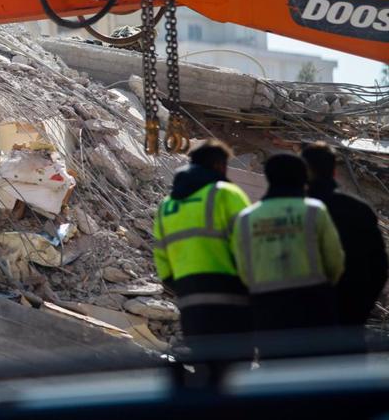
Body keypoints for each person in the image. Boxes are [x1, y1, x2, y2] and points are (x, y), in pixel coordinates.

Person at [231, 153, 345, 337]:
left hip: (266, 307)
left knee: (276, 362)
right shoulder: (314, 211)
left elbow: (243, 269)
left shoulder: (246, 219)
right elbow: (335, 261)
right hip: (312, 303)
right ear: (303, 177)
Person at [153, 140, 253, 347]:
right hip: (230, 290)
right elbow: (249, 243)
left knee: (202, 356)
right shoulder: (226, 193)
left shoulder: (167, 205)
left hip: (189, 293)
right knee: (235, 360)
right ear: (219, 165)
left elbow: (161, 254)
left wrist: (179, 284)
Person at [301, 142, 387, 331]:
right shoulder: (359, 209)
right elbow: (379, 267)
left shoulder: (293, 212)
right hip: (349, 317)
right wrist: (362, 309)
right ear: (334, 172)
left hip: (299, 321)